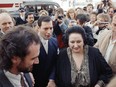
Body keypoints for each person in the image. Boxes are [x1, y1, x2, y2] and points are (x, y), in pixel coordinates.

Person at [32, 16, 58, 87]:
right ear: (38, 28)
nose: (49, 31)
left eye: (51, 28)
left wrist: (52, 79)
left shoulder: (54, 41)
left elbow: (55, 62)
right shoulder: (30, 42)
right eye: (45, 29)